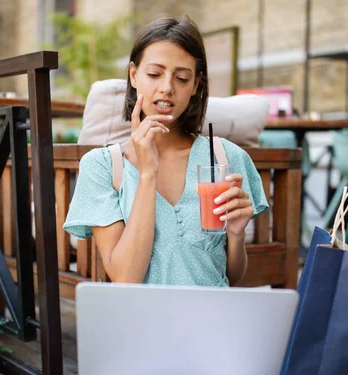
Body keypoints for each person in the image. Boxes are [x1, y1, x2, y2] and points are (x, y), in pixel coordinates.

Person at [63, 15, 269, 287]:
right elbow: (126, 278)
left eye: (182, 78)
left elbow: (232, 276)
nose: (167, 88)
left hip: (210, 318)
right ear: (133, 75)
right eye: (154, 74)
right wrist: (148, 173)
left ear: (196, 85)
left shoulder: (225, 159)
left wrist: (237, 234)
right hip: (143, 322)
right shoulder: (102, 166)